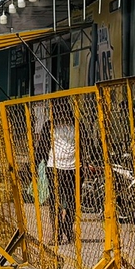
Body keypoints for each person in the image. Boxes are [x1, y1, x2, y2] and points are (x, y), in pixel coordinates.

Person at [48, 101, 79, 246]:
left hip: (73, 167)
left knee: (72, 202)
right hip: (54, 166)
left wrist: (86, 162)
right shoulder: (50, 125)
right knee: (55, 203)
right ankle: (57, 233)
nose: (60, 115)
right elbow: (43, 144)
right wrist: (35, 164)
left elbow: (85, 143)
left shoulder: (77, 125)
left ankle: (67, 225)